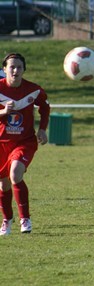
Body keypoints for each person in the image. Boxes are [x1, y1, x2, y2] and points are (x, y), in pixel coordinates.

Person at [0, 53, 50, 235]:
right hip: (2, 143)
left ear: (24, 70)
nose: (15, 70)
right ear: (4, 69)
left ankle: (25, 219)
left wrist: (43, 129)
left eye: (19, 67)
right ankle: (6, 220)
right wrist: (4, 111)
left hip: (25, 142)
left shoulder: (33, 89)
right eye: (11, 67)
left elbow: (44, 107)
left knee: (15, 174)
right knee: (3, 185)